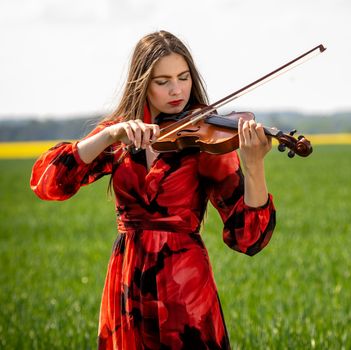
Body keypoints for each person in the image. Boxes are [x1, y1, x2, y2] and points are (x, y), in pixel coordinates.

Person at [30, 30, 276, 349]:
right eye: (163, 81)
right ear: (142, 82)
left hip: (184, 285)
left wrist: (254, 167)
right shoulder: (121, 133)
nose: (177, 90)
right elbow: (48, 183)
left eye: (184, 77)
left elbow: (248, 238)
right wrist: (109, 136)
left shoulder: (206, 138)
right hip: (127, 282)